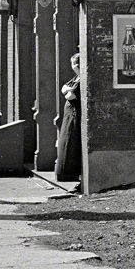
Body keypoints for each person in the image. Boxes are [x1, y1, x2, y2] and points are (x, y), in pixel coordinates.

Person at [54, 52, 81, 181]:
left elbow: (70, 95)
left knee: (70, 143)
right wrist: (68, 90)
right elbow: (64, 88)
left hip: (74, 115)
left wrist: (68, 91)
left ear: (76, 64)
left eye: (72, 63)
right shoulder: (76, 78)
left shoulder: (81, 78)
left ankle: (70, 175)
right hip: (69, 115)